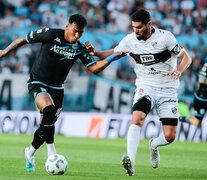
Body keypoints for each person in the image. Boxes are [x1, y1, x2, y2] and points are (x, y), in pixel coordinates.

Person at [0, 14, 127, 172]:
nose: (77, 35)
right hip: (37, 83)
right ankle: (51, 152)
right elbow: (24, 39)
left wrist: (113, 58)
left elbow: (94, 68)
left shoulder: (79, 47)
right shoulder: (51, 34)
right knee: (48, 109)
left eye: (80, 33)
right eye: (75, 31)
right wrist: (5, 52)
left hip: (58, 89)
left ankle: (30, 152)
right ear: (67, 26)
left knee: (45, 127)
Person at [85, 9, 192, 176]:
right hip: (145, 85)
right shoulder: (130, 40)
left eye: (140, 27)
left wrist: (178, 70)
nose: (136, 31)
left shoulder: (166, 37)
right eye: (134, 27)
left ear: (149, 24)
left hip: (168, 89)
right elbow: (114, 52)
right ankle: (131, 161)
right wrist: (95, 53)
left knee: (170, 136)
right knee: (138, 118)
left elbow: (187, 58)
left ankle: (154, 145)